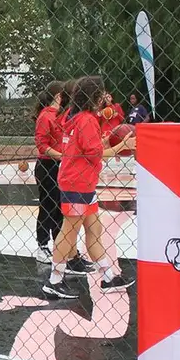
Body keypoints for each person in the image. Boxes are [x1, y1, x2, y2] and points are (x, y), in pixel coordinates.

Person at [43, 75, 136, 299]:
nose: (105, 96)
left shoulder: (77, 117)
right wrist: (122, 145)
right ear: (95, 95)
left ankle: (108, 276)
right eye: (102, 93)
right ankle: (54, 281)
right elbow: (92, 152)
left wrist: (106, 142)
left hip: (81, 183)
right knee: (69, 231)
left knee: (94, 229)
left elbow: (87, 146)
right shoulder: (86, 119)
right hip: (78, 183)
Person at [32, 80, 66, 263]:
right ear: (59, 96)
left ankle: (59, 245)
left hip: (60, 165)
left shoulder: (61, 115)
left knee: (60, 208)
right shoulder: (46, 116)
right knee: (48, 207)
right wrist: (61, 155)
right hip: (48, 166)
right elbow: (41, 144)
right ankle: (42, 245)